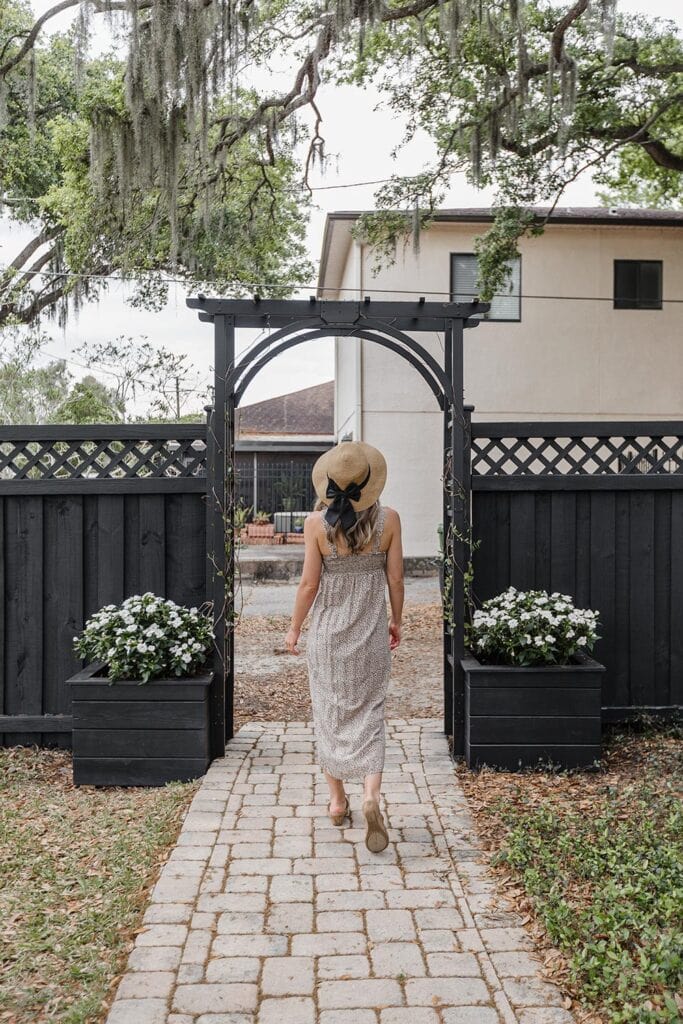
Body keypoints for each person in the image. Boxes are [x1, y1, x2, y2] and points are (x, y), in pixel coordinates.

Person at [284, 440, 404, 853]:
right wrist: (396, 619)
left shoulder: (316, 525)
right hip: (370, 636)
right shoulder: (390, 521)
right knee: (371, 714)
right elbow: (396, 580)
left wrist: (295, 629)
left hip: (328, 639)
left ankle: (338, 803)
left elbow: (309, 584)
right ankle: (371, 795)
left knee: (329, 713)